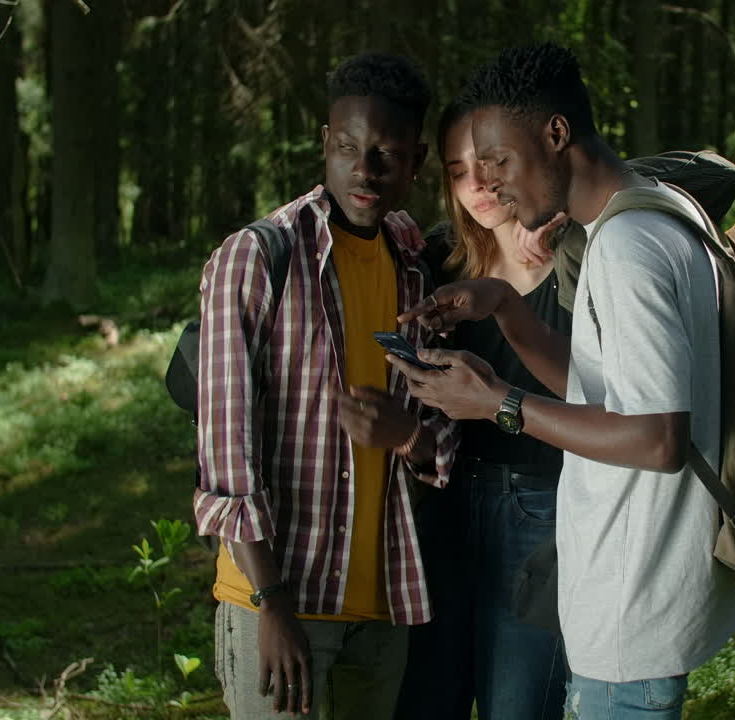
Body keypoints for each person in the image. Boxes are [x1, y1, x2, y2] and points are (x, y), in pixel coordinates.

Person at [387, 43, 735, 719]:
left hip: (628, 613)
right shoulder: (658, 213)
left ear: (555, 134)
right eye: (474, 167)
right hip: (637, 603)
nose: (491, 184)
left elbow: (659, 440)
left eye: (500, 160)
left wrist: (498, 404)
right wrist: (510, 311)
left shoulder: (627, 247)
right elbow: (606, 391)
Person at [193, 52, 457, 720]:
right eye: (347, 148)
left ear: (416, 160)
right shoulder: (258, 258)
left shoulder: (412, 267)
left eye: (386, 155)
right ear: (324, 143)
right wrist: (272, 603)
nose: (364, 171)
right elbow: (227, 454)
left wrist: (414, 439)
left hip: (383, 606)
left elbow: (439, 428)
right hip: (282, 602)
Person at [394, 101, 572, 720]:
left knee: (518, 707)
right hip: (443, 506)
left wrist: (562, 213)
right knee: (425, 699)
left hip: (545, 513)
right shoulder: (438, 257)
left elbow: (710, 178)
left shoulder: (581, 256)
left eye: (490, 161)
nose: (477, 183)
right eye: (455, 169)